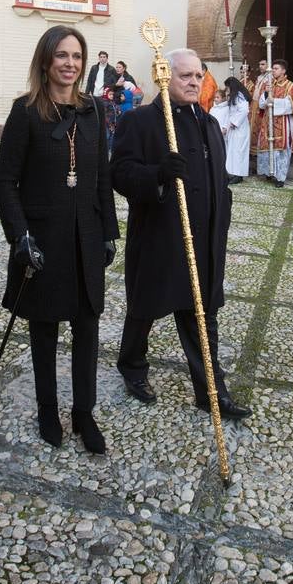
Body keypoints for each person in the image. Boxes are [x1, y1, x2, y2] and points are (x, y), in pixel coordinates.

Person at [0, 25, 119, 454]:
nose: (70, 64)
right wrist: (19, 237)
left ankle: (84, 413)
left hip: (85, 239)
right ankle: (48, 408)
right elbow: (4, 181)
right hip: (43, 240)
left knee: (87, 330)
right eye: (62, 55)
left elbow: (101, 177)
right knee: (44, 330)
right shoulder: (25, 111)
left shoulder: (94, 111)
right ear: (46, 61)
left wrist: (109, 233)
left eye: (77, 56)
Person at [111, 48, 250, 420]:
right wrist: (156, 174)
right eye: (185, 76)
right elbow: (120, 174)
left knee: (201, 314)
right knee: (145, 308)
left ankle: (211, 391)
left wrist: (224, 217)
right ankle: (133, 366)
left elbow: (219, 179)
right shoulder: (139, 122)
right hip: (160, 235)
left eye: (198, 76)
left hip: (203, 239)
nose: (193, 82)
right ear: (163, 77)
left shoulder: (207, 123)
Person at [254, 60, 293, 187]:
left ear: (283, 70)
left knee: (280, 150)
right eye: (273, 68)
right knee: (267, 146)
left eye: (276, 68)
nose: (273, 71)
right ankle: (269, 172)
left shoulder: (290, 86)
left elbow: (291, 106)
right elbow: (261, 103)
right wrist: (266, 95)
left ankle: (280, 178)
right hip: (267, 121)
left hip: (282, 122)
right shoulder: (269, 85)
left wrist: (274, 101)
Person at [211, 76, 251, 185]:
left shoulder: (239, 96)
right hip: (234, 127)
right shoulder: (234, 96)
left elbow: (244, 110)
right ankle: (233, 173)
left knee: (239, 151)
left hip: (240, 127)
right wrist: (227, 125)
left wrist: (233, 122)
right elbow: (231, 112)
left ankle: (239, 175)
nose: (226, 89)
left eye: (227, 87)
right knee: (233, 151)